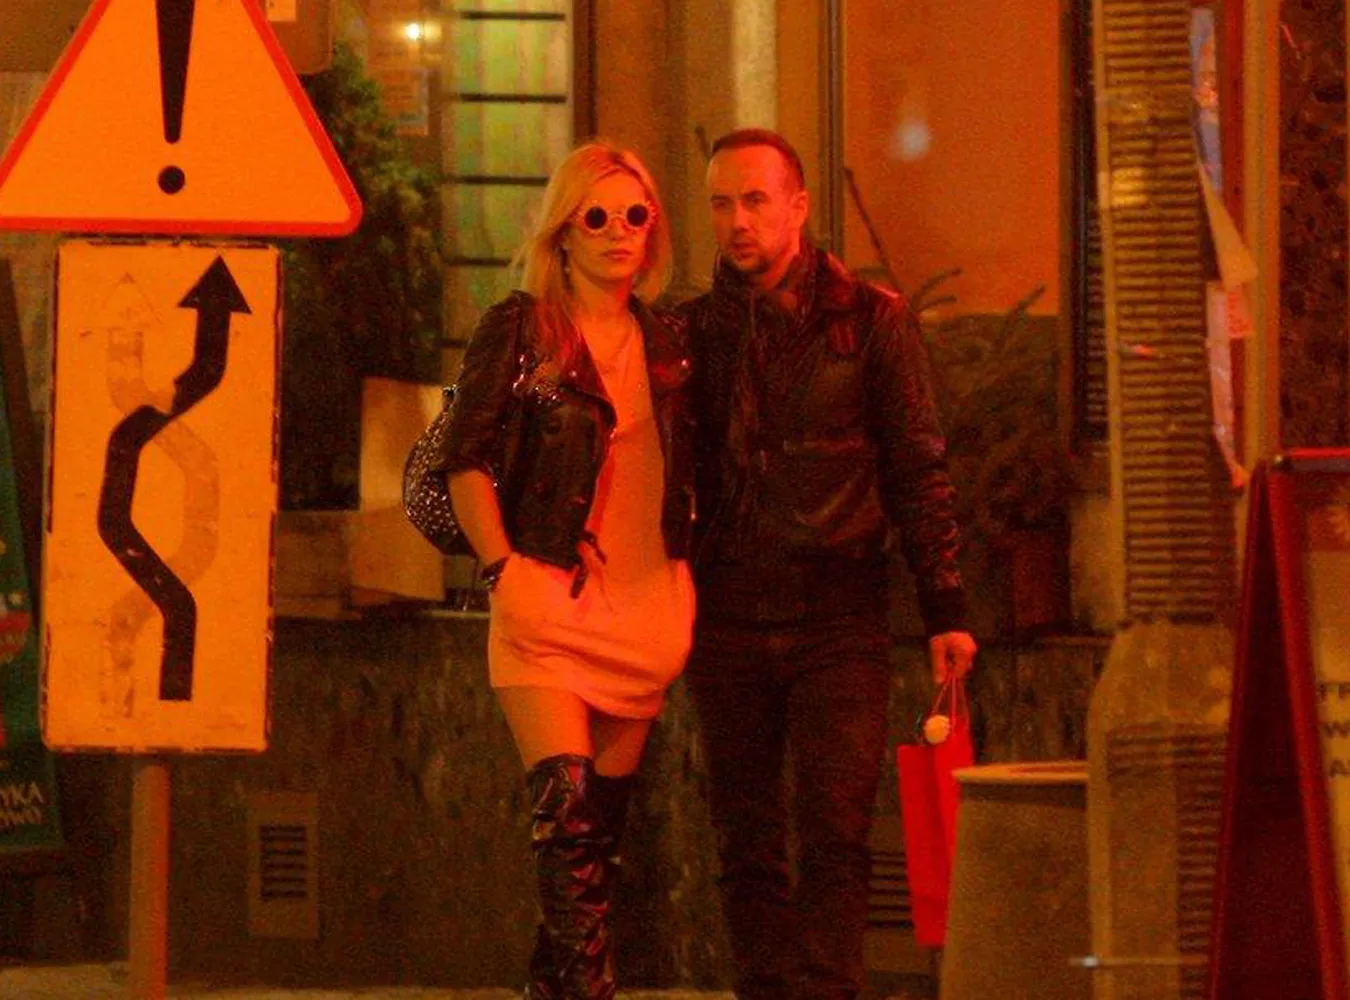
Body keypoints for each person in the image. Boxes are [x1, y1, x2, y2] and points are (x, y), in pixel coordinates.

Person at [679, 128, 978, 1000]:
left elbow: (916, 464)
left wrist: (944, 605)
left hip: (837, 609)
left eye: (755, 200)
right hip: (729, 607)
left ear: (798, 207)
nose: (737, 221)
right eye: (721, 204)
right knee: (745, 839)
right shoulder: (693, 331)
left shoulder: (869, 321)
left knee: (836, 832)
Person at [434, 141, 696, 1000]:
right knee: (567, 825)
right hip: (545, 602)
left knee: (596, 853)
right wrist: (503, 567)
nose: (618, 231)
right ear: (564, 233)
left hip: (645, 608)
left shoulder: (671, 344)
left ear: (652, 232)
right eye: (597, 216)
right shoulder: (523, 330)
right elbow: (465, 458)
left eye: (635, 215)